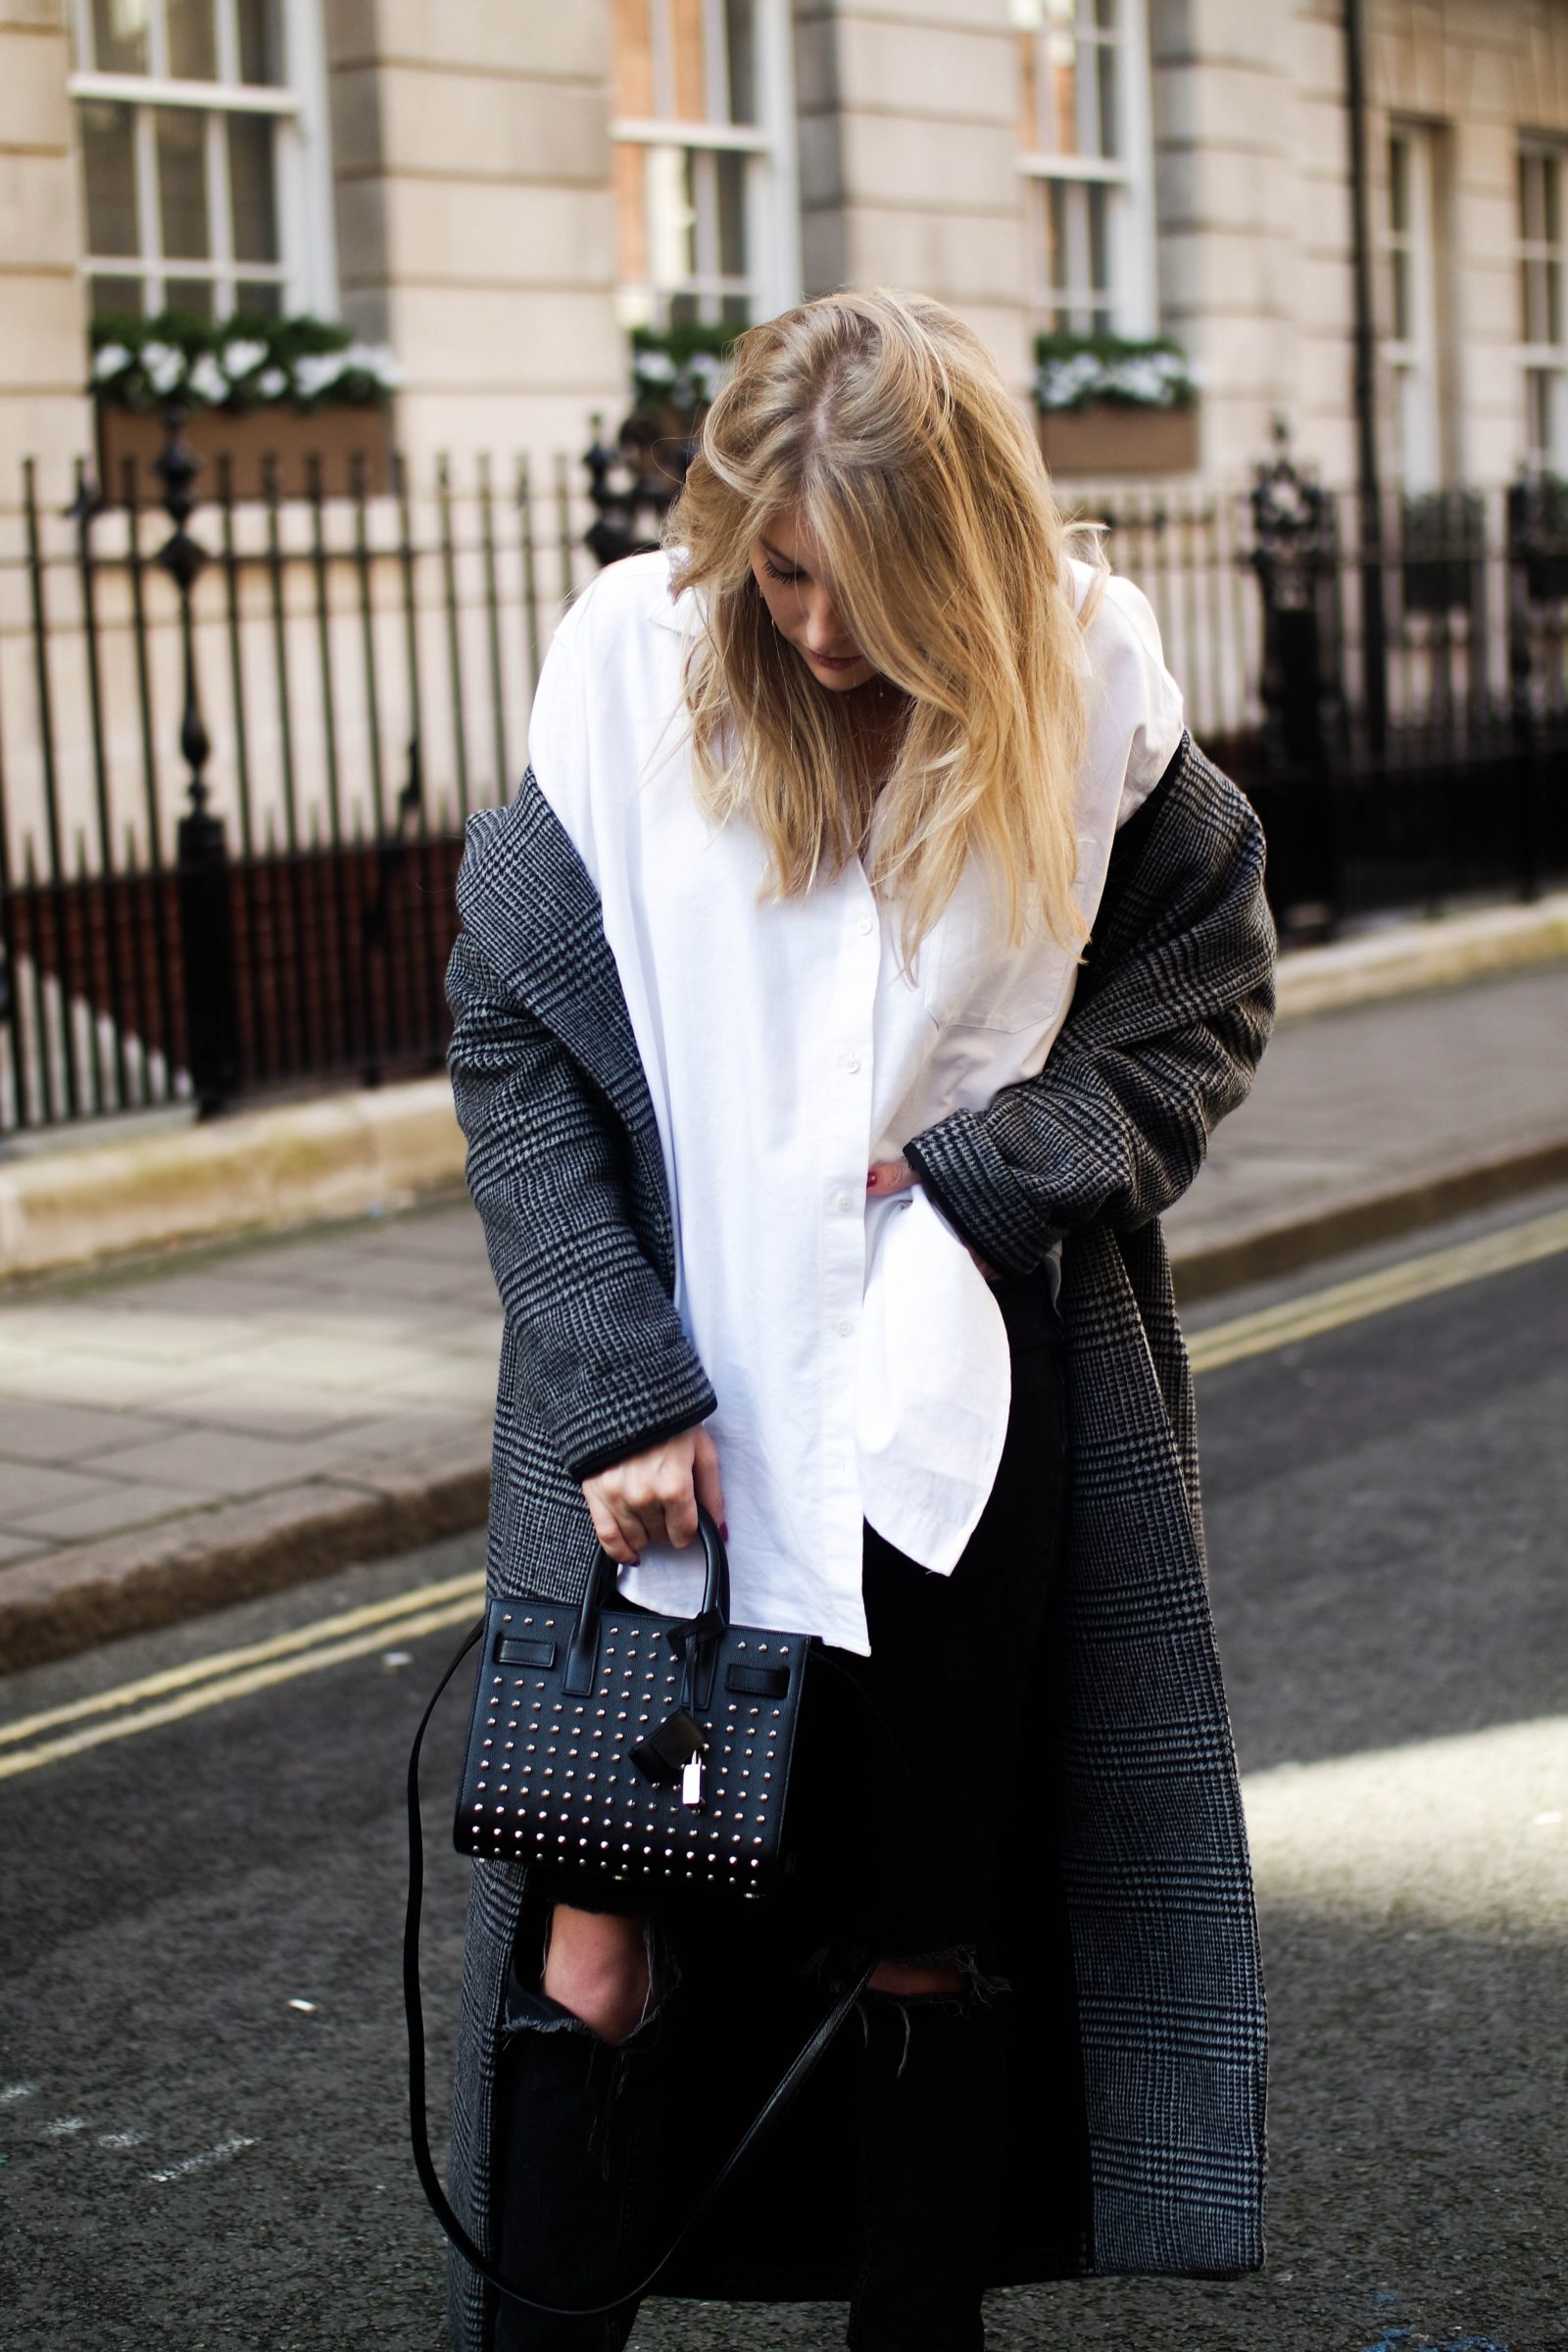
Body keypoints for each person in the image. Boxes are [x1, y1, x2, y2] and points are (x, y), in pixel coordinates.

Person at [441, 288, 1276, 2352]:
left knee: (923, 1956)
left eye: (870, 583)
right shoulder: (625, 665)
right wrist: (613, 1379)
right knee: (594, 1946)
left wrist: (1015, 1164)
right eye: (786, 569)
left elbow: (1203, 985)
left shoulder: (1090, 683)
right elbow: (512, 1047)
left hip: (946, 1445)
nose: (816, 629)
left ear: (972, 560)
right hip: (670, 1459)